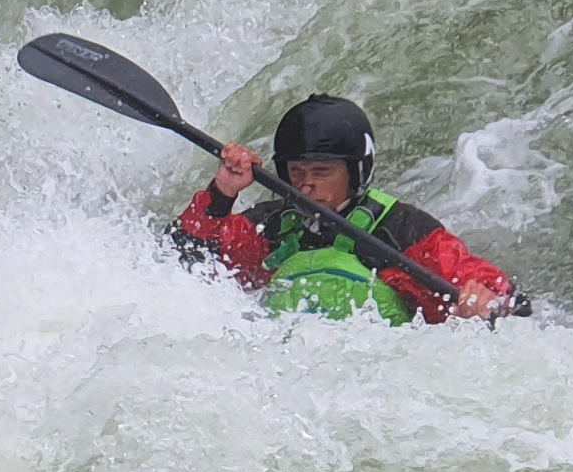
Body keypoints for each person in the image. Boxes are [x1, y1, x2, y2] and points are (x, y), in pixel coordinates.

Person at [174, 93, 517, 321]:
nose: (306, 185)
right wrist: (222, 193)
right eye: (296, 171)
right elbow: (185, 263)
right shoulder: (271, 226)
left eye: (321, 172)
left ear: (356, 172)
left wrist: (484, 300)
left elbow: (496, 291)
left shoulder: (402, 230)